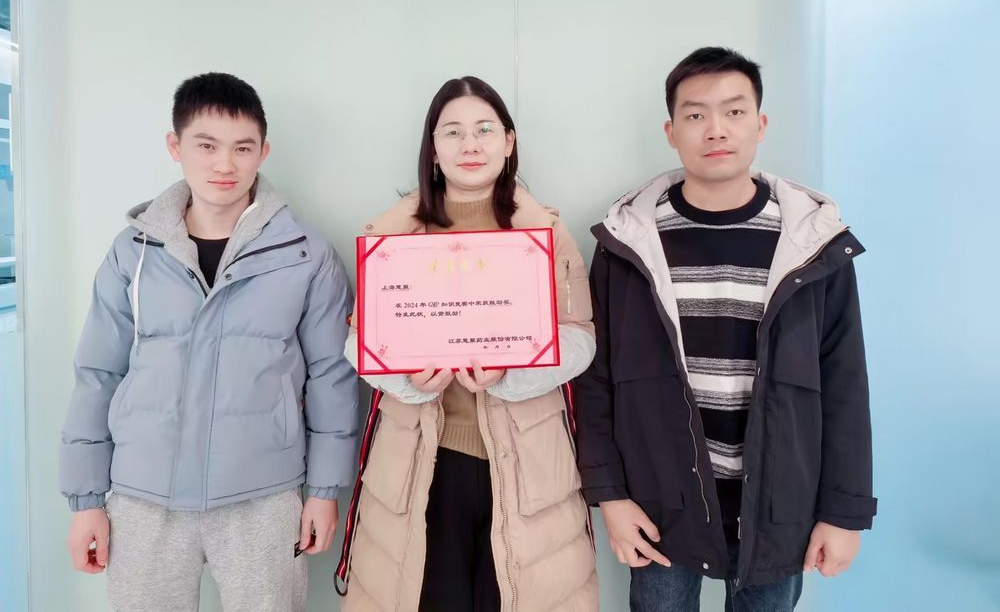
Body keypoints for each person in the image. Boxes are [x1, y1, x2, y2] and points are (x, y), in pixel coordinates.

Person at [575, 47, 876, 611]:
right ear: (671, 132)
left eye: (734, 112)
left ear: (760, 124)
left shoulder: (814, 242)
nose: (716, 129)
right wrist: (610, 495)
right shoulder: (627, 243)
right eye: (695, 114)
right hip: (660, 504)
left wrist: (844, 513)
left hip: (780, 507)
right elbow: (595, 381)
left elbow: (845, 385)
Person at [59, 72, 358, 612]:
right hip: (144, 495)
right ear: (175, 146)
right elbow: (97, 374)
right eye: (206, 145)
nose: (225, 164)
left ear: (263, 152)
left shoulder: (306, 254)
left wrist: (323, 490)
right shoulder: (133, 252)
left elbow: (332, 376)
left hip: (262, 494)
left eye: (242, 147)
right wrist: (86, 500)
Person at [335, 76, 598, 612]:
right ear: (433, 149)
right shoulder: (394, 235)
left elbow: (581, 339)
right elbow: (359, 343)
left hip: (527, 462)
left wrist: (513, 374)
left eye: (484, 129)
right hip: (422, 461)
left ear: (509, 141)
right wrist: (406, 381)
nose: (470, 144)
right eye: (452, 132)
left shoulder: (545, 231)